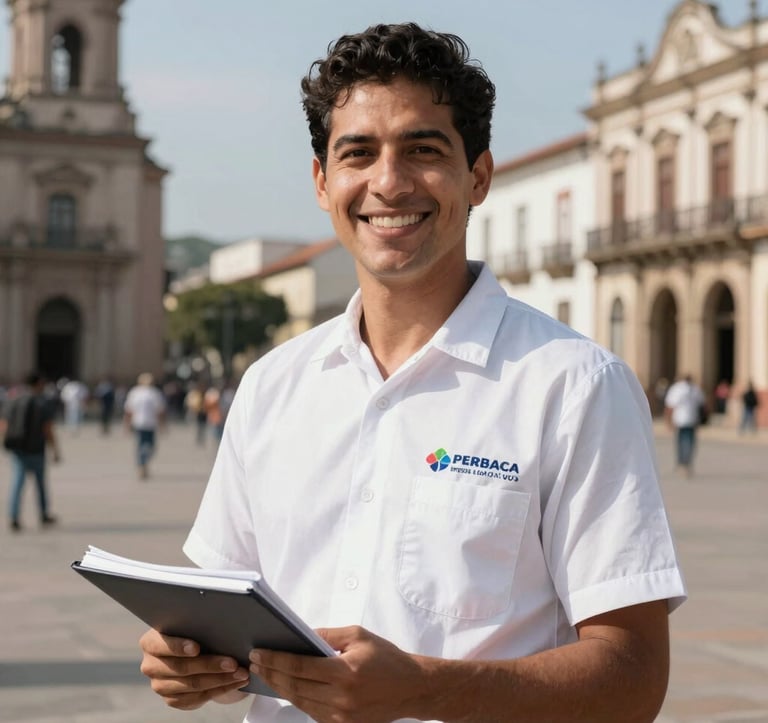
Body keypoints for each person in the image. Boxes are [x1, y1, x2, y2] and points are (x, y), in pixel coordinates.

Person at [138, 23, 686, 723]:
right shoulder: (274, 387)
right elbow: (219, 603)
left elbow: (633, 675)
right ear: (322, 181)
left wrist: (427, 687)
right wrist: (185, 659)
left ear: (478, 176)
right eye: (358, 153)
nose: (388, 182)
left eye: (423, 150)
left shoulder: (574, 386)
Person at [0, 372, 60, 532]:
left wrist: (6, 442)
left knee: (18, 483)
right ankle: (44, 514)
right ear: (39, 384)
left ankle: (14, 516)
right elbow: (47, 429)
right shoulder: (42, 403)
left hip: (18, 448)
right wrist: (55, 450)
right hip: (37, 448)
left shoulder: (13, 400)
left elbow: (4, 424)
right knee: (40, 484)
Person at [123, 372, 166, 479]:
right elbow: (160, 411)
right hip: (145, 423)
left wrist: (126, 424)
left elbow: (128, 411)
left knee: (145, 445)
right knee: (146, 445)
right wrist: (162, 424)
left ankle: (142, 462)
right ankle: (142, 464)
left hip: (143, 423)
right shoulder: (150, 393)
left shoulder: (139, 393)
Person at [664, 373, 706, 478]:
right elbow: (703, 405)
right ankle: (685, 463)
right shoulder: (695, 389)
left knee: (682, 443)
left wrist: (668, 421)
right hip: (690, 420)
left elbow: (670, 406)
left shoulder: (677, 389)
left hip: (681, 420)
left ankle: (682, 463)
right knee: (689, 443)